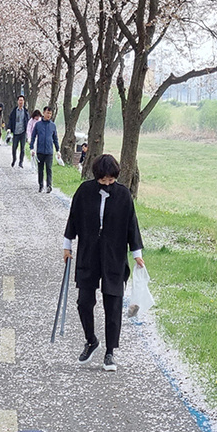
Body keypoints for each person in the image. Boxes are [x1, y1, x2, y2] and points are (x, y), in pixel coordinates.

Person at [63, 154, 144, 372]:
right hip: (88, 254)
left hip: (114, 257)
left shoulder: (124, 195)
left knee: (113, 305)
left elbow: (132, 225)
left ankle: (110, 352)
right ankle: (91, 340)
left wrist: (136, 253)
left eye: (111, 180)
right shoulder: (84, 192)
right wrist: (67, 245)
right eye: (103, 180)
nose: (108, 183)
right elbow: (73, 218)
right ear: (96, 176)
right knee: (84, 302)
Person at [30, 106, 60, 193]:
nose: (49, 115)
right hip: (40, 151)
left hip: (49, 151)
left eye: (50, 113)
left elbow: (55, 139)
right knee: (40, 169)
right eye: (47, 113)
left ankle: (49, 185)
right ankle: (40, 185)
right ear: (43, 113)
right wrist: (31, 148)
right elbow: (33, 136)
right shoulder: (38, 125)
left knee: (49, 169)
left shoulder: (53, 126)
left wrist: (58, 150)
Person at [8, 95, 30, 168]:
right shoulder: (14, 111)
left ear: (24, 102)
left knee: (22, 148)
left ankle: (21, 162)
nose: (21, 102)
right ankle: (14, 159)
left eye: (22, 100)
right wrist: (9, 128)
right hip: (16, 132)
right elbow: (10, 120)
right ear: (17, 102)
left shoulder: (26, 112)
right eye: (20, 100)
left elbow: (28, 121)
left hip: (23, 132)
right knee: (14, 147)